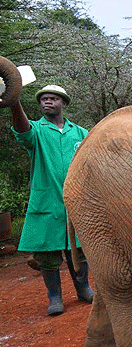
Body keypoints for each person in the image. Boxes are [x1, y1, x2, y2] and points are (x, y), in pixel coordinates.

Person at [9, 84, 94, 316]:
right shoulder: (36, 130)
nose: (47, 102)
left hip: (77, 201)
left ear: (63, 103)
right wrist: (13, 99)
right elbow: (22, 130)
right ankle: (55, 297)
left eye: (53, 99)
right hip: (47, 201)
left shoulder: (80, 133)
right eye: (44, 99)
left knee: (80, 249)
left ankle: (84, 288)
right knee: (48, 255)